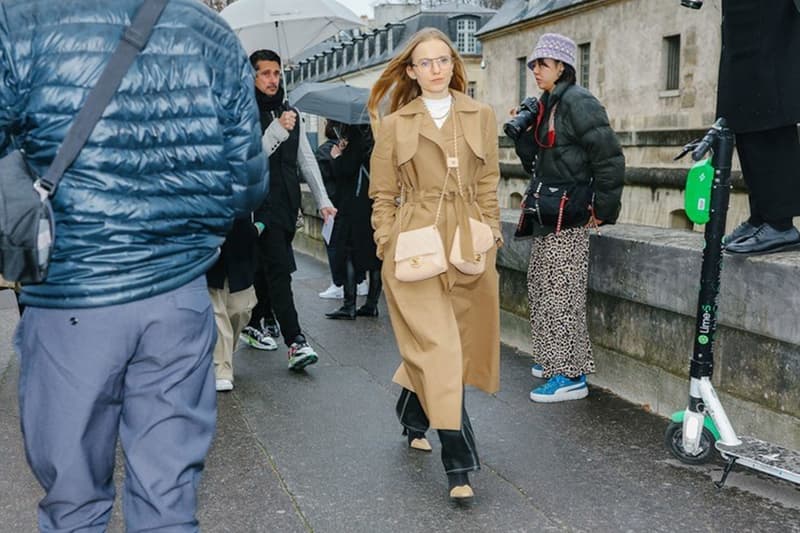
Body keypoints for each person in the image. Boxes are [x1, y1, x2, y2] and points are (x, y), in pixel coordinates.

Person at [0, 0, 268, 530]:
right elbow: (246, 185)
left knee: (73, 499)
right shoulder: (210, 31)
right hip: (178, 292)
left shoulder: (22, 19)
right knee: (168, 495)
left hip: (72, 293)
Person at [368, 27, 502, 502]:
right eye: (425, 63)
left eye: (443, 59)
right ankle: (459, 465)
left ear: (454, 64)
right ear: (411, 71)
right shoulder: (395, 124)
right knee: (442, 349)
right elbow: (382, 194)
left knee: (453, 348)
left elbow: (488, 182)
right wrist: (387, 242)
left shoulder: (480, 114)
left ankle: (411, 409)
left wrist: (492, 233)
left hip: (468, 243)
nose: (436, 69)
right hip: (415, 244)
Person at [512, 33, 624, 403]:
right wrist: (523, 132)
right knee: (541, 288)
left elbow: (609, 158)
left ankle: (570, 375)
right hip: (547, 210)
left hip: (570, 212)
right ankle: (552, 360)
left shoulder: (579, 102)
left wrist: (603, 211)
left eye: (543, 64)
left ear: (563, 66)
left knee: (562, 293)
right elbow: (535, 159)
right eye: (533, 65)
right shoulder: (547, 104)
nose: (536, 71)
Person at [239, 49, 337, 371]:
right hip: (258, 207)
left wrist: (322, 200)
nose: (272, 79)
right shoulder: (244, 113)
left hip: (286, 207)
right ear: (252, 76)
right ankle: (296, 341)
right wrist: (279, 128)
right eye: (265, 73)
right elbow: (251, 157)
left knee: (269, 270)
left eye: (277, 73)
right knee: (279, 271)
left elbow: (305, 160)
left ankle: (254, 323)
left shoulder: (290, 111)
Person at [716, 0, 800, 255]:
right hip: (742, 18)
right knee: (740, 113)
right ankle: (761, 216)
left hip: (770, 16)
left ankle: (780, 223)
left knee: (769, 106)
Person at [320, 121, 382, 320]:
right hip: (373, 202)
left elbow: (345, 170)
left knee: (347, 252)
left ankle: (349, 305)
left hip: (353, 205)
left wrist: (337, 156)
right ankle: (371, 303)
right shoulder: (376, 138)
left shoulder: (355, 138)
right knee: (375, 256)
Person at [207, 215, 271, 393]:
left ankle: (224, 353)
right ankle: (222, 370)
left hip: (241, 244)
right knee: (217, 311)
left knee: (240, 310)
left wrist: (258, 226)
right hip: (210, 241)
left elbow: (265, 200)